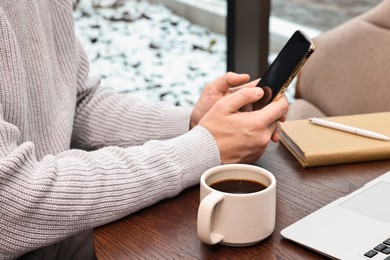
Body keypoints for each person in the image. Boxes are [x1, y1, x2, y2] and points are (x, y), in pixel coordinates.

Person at [0, 1, 288, 259]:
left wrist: (195, 123)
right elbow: (11, 203)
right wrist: (201, 148)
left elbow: (77, 103)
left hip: (62, 234)